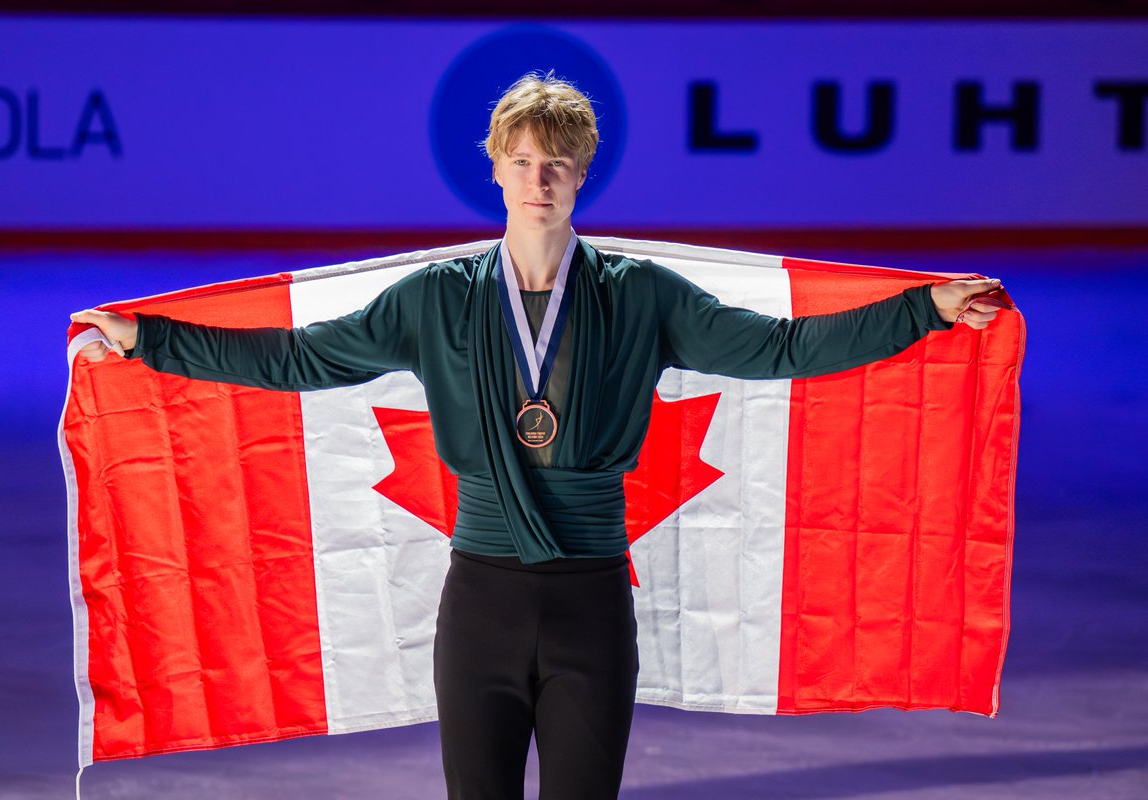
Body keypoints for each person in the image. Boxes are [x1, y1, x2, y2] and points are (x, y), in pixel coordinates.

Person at [72, 72, 1004, 800]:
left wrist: (921, 310)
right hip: (478, 605)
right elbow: (302, 359)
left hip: (591, 604)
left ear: (583, 171)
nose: (538, 179)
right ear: (494, 169)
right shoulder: (434, 300)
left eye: (556, 162)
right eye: (520, 161)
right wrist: (151, 339)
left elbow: (783, 348)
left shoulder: (641, 295)